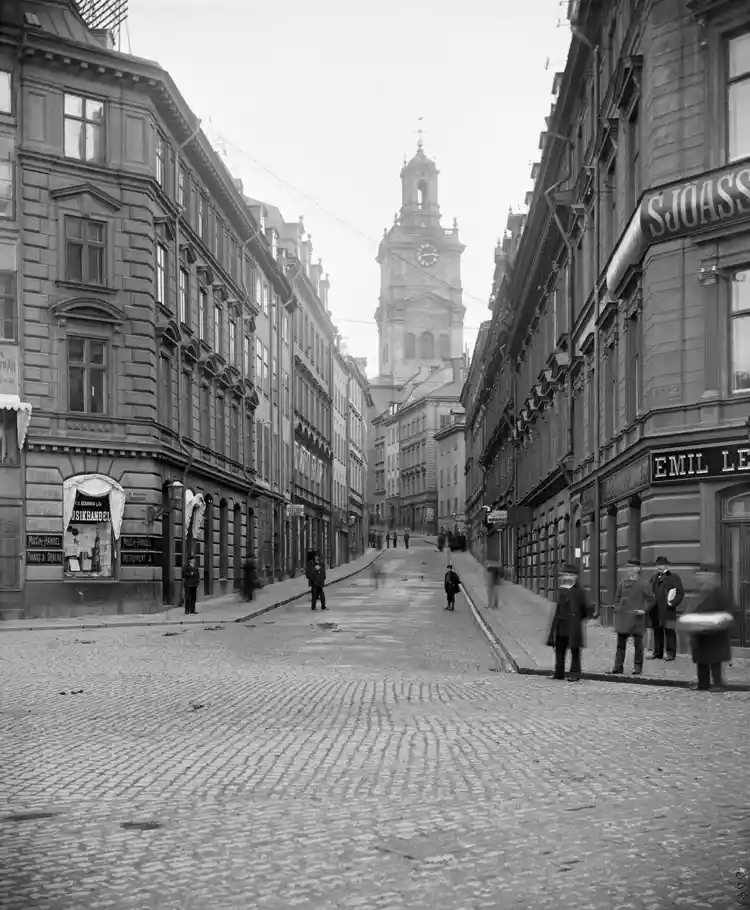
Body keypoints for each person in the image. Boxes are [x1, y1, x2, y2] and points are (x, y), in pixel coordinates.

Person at [682, 565, 733, 691]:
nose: (699, 578)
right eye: (698, 575)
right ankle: (703, 684)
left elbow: (727, 612)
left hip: (715, 633)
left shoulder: (720, 593)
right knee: (701, 660)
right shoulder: (699, 592)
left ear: (710, 576)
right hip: (701, 633)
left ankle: (718, 684)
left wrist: (713, 622)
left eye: (702, 575)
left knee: (715, 660)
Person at [546, 563, 593, 682]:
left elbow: (586, 609)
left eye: (570, 575)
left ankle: (575, 673)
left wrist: (577, 619)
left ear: (575, 577)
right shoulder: (561, 590)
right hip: (561, 624)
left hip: (573, 625)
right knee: (559, 649)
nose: (567, 577)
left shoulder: (580, 592)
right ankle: (559, 672)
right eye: (565, 575)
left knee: (575, 650)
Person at [607, 559, 650, 676]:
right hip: (623, 618)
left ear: (638, 569)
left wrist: (643, 610)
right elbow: (617, 597)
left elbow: (651, 599)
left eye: (632, 567)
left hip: (637, 618)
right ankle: (618, 667)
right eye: (628, 567)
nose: (629, 570)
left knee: (638, 645)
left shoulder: (643, 583)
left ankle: (637, 667)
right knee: (620, 645)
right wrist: (617, 608)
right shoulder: (623, 583)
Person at [649, 556, 684, 661]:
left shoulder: (673, 577)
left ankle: (671, 653)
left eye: (662, 565)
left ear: (666, 566)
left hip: (668, 609)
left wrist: (672, 603)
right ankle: (658, 652)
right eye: (658, 565)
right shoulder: (654, 577)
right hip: (655, 609)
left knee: (670, 632)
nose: (659, 567)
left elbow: (680, 593)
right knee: (657, 631)